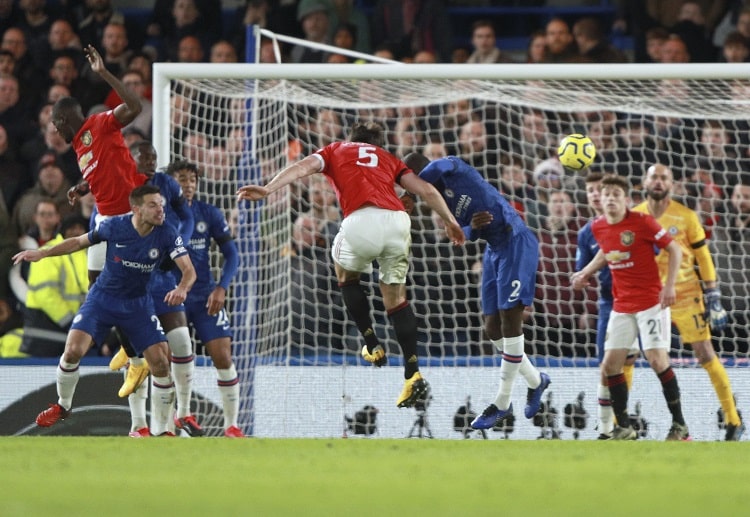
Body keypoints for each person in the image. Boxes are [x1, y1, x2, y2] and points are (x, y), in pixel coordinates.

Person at [237, 121, 465, 407]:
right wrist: (451, 222)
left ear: (351, 138)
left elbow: (303, 168)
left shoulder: (335, 150)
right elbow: (428, 191)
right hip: (397, 223)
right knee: (396, 298)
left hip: (360, 220)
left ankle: (371, 343)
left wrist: (268, 189)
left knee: (344, 273)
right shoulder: (389, 159)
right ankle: (413, 375)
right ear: (376, 143)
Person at [14, 184, 197, 436]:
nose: (160, 210)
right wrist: (43, 253)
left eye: (162, 205)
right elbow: (78, 242)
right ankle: (63, 406)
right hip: (102, 299)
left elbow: (188, 270)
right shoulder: (115, 226)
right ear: (137, 209)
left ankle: (164, 430)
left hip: (138, 305)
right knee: (73, 350)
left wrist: (183, 289)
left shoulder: (166, 232)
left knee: (160, 363)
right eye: (153, 205)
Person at [403, 152, 551, 429]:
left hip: (515, 242)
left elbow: (441, 165)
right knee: (492, 328)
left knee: (510, 321)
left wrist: (415, 183)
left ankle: (501, 404)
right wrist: (470, 227)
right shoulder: (438, 201)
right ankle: (536, 381)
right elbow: (462, 235)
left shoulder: (451, 168)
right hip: (494, 251)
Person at [571, 174, 690, 441]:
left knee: (657, 359)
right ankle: (624, 428)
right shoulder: (599, 227)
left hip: (651, 302)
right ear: (600, 200)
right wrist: (585, 273)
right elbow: (605, 250)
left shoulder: (642, 222)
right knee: (610, 365)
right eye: (607, 194)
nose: (611, 198)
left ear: (626, 200)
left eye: (616, 194)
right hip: (621, 306)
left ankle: (680, 425)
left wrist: (669, 287)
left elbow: (675, 250)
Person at [632, 164, 744, 441]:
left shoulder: (686, 216)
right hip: (647, 297)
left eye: (664, 178)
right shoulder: (634, 216)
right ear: (644, 182)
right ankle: (617, 422)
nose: (658, 182)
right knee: (628, 354)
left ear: (672, 184)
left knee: (705, 354)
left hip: (685, 295)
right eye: (654, 177)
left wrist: (714, 295)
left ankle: (733, 419)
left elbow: (703, 258)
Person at [107, 141, 196, 437]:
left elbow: (187, 217)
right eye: (142, 157)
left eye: (152, 157)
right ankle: (139, 425)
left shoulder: (166, 185)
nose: (148, 161)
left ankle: (181, 414)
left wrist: (176, 245)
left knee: (181, 342)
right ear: (129, 159)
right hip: (132, 278)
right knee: (140, 353)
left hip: (163, 274)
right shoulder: (119, 184)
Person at [54, 44, 147, 287]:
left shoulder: (99, 123)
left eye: (56, 123)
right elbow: (100, 171)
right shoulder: (77, 145)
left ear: (63, 119)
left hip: (131, 213)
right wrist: (82, 188)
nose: (54, 129)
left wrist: (104, 73)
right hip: (104, 217)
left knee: (134, 281)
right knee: (94, 279)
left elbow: (135, 107)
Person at [169, 160, 245, 437]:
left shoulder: (208, 213)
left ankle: (231, 426)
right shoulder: (162, 215)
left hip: (204, 295)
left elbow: (232, 254)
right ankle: (176, 418)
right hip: (171, 295)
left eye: (192, 179)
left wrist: (222, 287)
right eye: (181, 179)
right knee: (169, 358)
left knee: (223, 355)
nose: (188, 184)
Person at [19, 214, 89, 358]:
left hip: (74, 333)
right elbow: (45, 294)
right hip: (45, 334)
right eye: (72, 228)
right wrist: (71, 321)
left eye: (80, 228)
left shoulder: (87, 254)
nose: (76, 231)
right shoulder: (47, 251)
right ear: (62, 230)